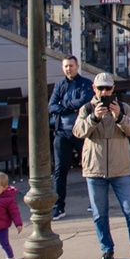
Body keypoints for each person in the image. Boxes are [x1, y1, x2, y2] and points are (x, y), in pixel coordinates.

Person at [72, 72, 130, 259]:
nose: (104, 92)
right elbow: (78, 131)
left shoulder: (123, 107)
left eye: (108, 88)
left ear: (113, 89)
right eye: (101, 88)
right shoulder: (87, 108)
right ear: (94, 89)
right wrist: (93, 118)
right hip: (95, 169)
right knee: (100, 213)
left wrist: (120, 117)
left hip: (120, 169)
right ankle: (106, 249)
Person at [47, 55, 92, 219]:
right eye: (66, 66)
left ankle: (94, 202)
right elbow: (51, 106)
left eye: (71, 66)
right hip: (62, 132)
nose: (68, 69)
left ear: (77, 66)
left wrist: (63, 106)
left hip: (82, 131)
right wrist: (69, 108)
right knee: (60, 170)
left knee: (88, 168)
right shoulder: (59, 86)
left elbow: (85, 102)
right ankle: (59, 206)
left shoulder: (85, 84)